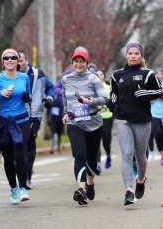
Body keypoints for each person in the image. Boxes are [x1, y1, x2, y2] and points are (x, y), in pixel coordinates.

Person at [110, 43, 163, 206]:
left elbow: (160, 91)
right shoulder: (116, 75)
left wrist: (146, 93)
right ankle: (129, 190)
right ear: (126, 56)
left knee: (141, 156)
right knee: (127, 155)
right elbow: (114, 92)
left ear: (141, 57)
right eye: (130, 53)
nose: (133, 56)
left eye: (136, 53)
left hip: (142, 120)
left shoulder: (148, 74)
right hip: (123, 119)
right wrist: (113, 98)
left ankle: (140, 180)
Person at [61, 46, 107, 205]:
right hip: (75, 123)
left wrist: (89, 101)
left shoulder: (93, 78)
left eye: (82, 62)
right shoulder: (66, 79)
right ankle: (81, 189)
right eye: (76, 61)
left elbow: (103, 99)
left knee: (92, 158)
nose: (79, 64)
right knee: (79, 154)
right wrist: (66, 113)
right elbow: (66, 99)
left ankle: (90, 183)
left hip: (94, 123)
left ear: (87, 62)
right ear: (72, 62)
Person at [0, 48, 31, 205]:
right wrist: (1, 94)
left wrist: (27, 97)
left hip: (22, 120)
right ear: (3, 61)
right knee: (8, 158)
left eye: (14, 57)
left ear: (18, 61)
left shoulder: (24, 77)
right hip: (5, 122)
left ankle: (23, 188)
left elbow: (28, 97)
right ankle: (13, 188)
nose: (10, 60)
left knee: (20, 153)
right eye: (7, 58)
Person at [18, 50, 55, 189]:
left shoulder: (38, 74)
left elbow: (50, 88)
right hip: (16, 115)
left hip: (34, 114)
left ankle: (27, 177)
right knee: (18, 146)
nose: (18, 62)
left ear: (26, 60)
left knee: (28, 145)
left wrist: (49, 98)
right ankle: (22, 173)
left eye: (20, 59)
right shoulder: (10, 75)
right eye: (16, 59)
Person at [147, 68, 163, 166]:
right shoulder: (151, 85)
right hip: (154, 114)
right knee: (157, 133)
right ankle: (162, 156)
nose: (159, 76)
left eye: (161, 74)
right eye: (157, 74)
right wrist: (150, 99)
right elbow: (146, 97)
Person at [96, 69, 114, 170]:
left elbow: (112, 101)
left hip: (107, 117)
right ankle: (98, 163)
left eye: (101, 74)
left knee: (106, 140)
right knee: (96, 140)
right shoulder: (92, 88)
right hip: (95, 118)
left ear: (104, 76)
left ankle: (108, 155)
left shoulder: (109, 88)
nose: (99, 76)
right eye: (97, 75)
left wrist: (104, 105)